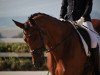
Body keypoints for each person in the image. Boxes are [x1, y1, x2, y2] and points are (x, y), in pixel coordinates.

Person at [60, 0, 99, 74]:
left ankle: (96, 68)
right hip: (69, 20)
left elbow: (89, 5)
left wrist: (83, 17)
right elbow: (64, 6)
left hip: (84, 20)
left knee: (94, 41)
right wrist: (61, 17)